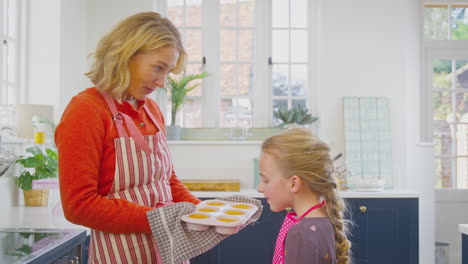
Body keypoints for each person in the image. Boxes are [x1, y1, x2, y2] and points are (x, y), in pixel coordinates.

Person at [55, 12, 201, 264]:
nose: (162, 82)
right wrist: (158, 220)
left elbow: (166, 180)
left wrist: (203, 212)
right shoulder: (86, 110)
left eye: (167, 72)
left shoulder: (151, 110)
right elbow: (79, 205)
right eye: (158, 68)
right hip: (120, 255)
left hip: (169, 253)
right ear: (126, 54)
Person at [257, 128, 351, 264]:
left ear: (294, 183)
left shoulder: (301, 234)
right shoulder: (324, 219)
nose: (260, 188)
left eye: (266, 180)